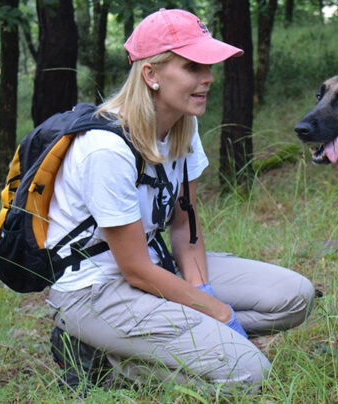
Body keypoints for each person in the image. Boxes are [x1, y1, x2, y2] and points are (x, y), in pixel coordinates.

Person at [44, 8, 314, 395]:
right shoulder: (106, 149)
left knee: (295, 297)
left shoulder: (182, 124)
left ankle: (175, 340)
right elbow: (134, 270)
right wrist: (217, 313)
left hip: (157, 269)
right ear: (151, 74)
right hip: (97, 289)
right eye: (193, 66)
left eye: (209, 66)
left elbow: (184, 224)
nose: (208, 78)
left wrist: (200, 291)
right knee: (248, 375)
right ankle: (106, 358)